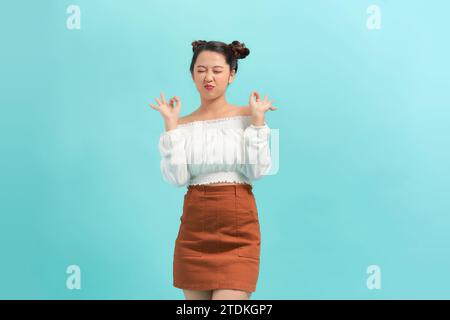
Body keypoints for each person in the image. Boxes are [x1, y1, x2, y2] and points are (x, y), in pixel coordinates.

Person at [149, 40, 278, 300]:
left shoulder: (250, 115)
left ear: (231, 75)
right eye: (201, 70)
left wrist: (257, 123)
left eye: (217, 71)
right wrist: (171, 127)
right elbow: (178, 179)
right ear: (192, 74)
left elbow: (259, 171)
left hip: (238, 229)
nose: (208, 77)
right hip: (194, 231)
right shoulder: (181, 124)